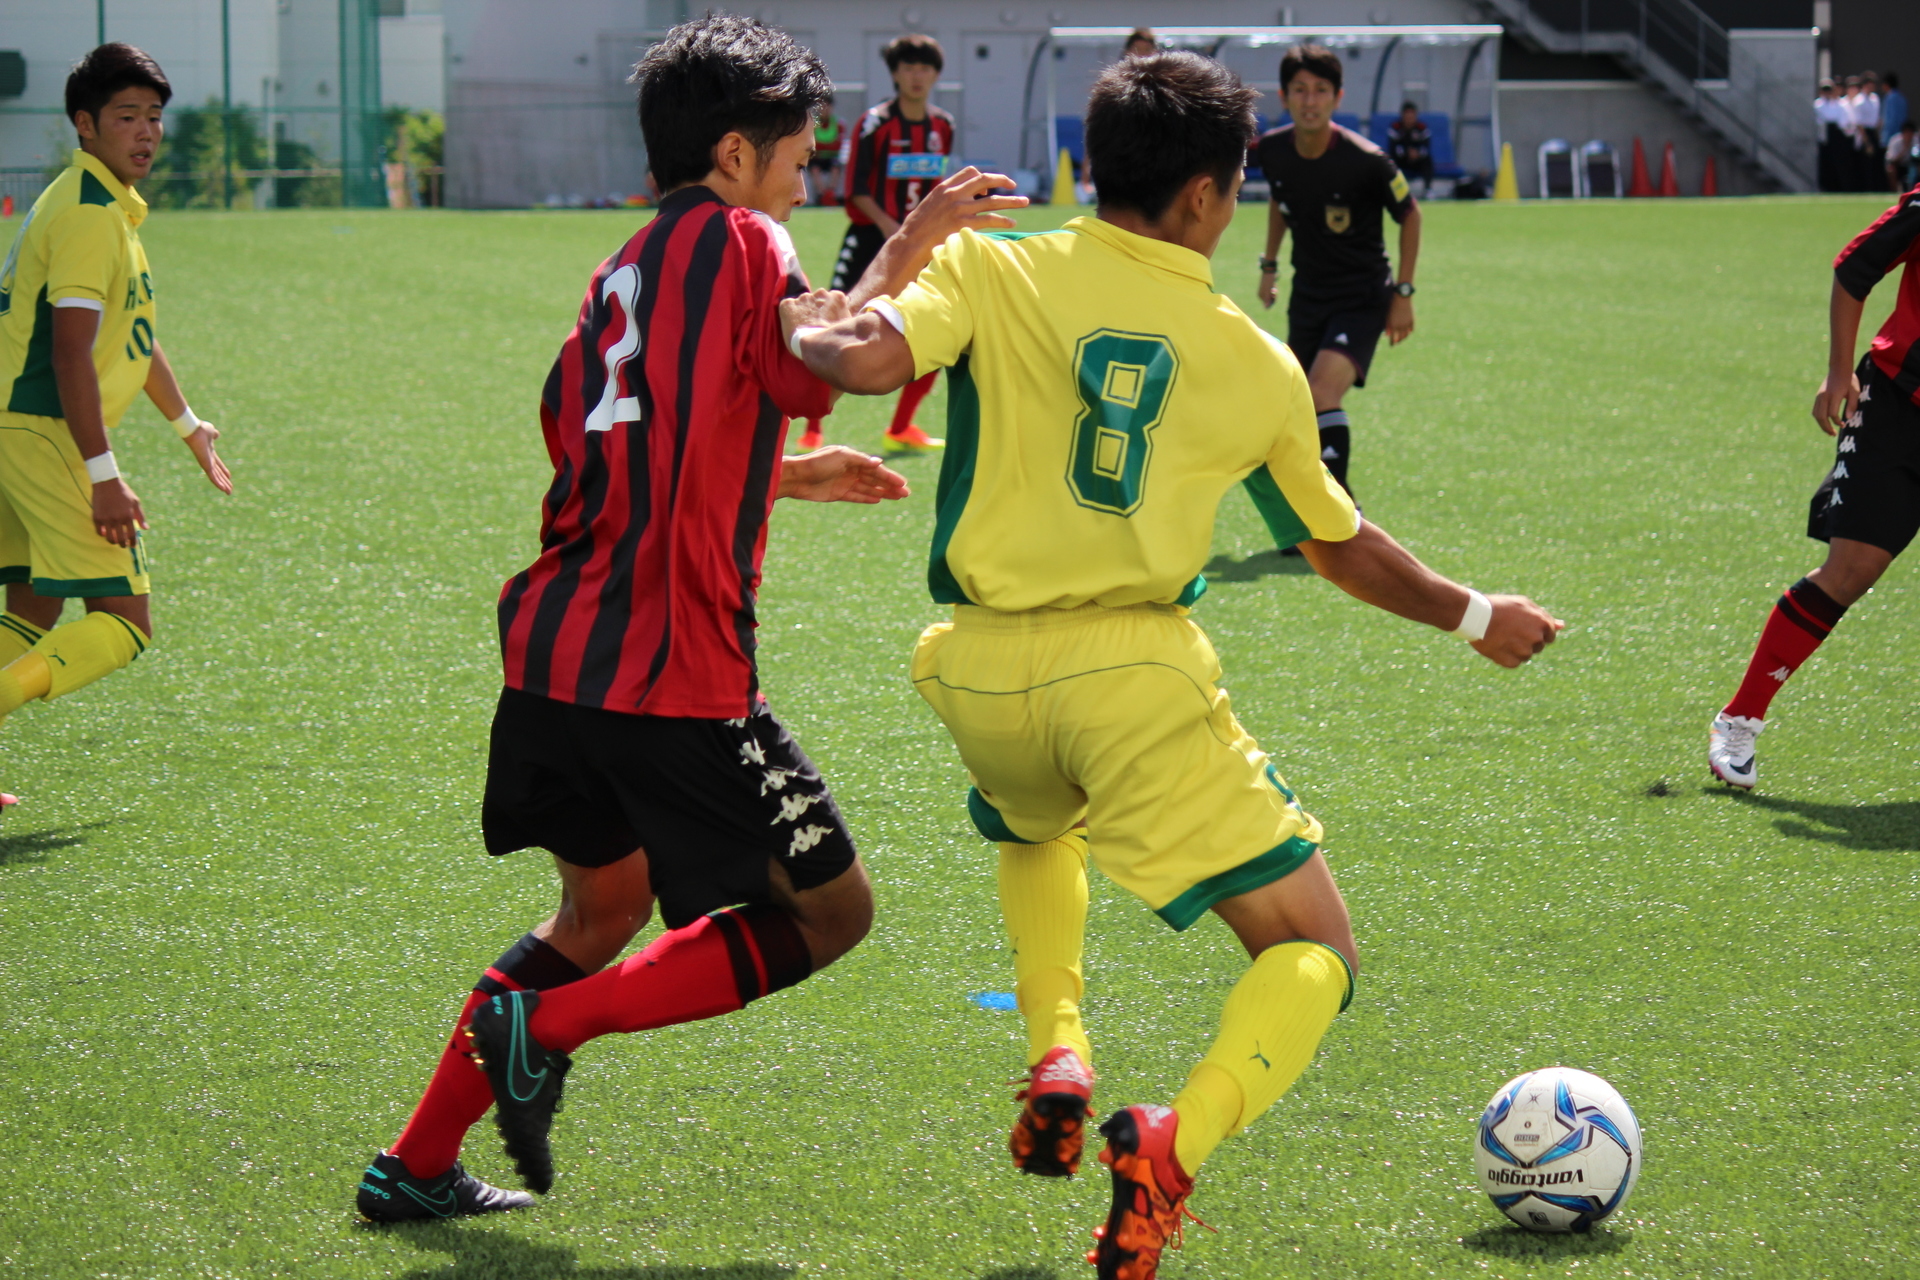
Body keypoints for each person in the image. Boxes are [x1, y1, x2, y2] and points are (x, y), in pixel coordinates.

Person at [784, 50, 1561, 1280]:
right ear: (1208, 194)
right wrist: (1475, 616)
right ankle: (1170, 1141)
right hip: (1130, 679)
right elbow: (1340, 548)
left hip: (977, 674)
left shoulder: (992, 263)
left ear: (1099, 164)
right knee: (1314, 950)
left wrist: (890, 258)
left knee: (1037, 824)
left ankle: (1058, 1048)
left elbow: (850, 359)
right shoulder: (1250, 358)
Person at [352, 16, 1024, 1222]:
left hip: (554, 655)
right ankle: (538, 1027)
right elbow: (823, 350)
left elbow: (605, 448)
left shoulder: (617, 269)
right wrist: (913, 245)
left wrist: (774, 472)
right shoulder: (741, 237)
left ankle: (413, 1161)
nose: (808, 184)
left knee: (599, 907)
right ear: (730, 156)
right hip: (672, 675)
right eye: (799, 160)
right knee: (832, 910)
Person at [0, 43, 233, 808]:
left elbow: (132, 334)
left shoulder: (95, 204)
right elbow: (71, 355)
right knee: (127, 622)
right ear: (85, 124)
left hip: (12, 426)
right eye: (127, 117)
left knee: (31, 605)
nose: (146, 132)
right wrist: (105, 476)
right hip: (39, 430)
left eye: (155, 118)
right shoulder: (90, 216)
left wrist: (188, 424)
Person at [1709, 179, 1920, 791]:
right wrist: (1837, 373)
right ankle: (1740, 718)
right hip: (1896, 409)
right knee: (1851, 570)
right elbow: (1856, 267)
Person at [1254, 43, 1420, 522]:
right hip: (1308, 296)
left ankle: (1339, 513)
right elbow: (1281, 204)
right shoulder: (1274, 151)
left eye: (1321, 91)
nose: (1310, 100)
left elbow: (1411, 216)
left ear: (1337, 97)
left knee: (1322, 392)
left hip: (1363, 296)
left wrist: (1403, 294)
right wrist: (1269, 266)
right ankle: (1310, 513)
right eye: (1300, 90)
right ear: (1285, 97)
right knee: (1293, 408)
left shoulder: (1368, 160)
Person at [793, 33, 953, 456]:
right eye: (908, 68)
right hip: (870, 239)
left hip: (920, 244)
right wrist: (891, 228)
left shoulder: (943, 126)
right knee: (836, 325)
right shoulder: (874, 124)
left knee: (935, 326)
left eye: (924, 68)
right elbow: (856, 188)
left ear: (936, 75)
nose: (916, 76)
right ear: (895, 74)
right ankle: (812, 428)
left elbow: (937, 189)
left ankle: (901, 427)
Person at [1386, 100, 1434, 196]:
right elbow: (1394, 148)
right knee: (1390, 162)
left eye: (1412, 117)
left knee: (1428, 160)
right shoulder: (1395, 128)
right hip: (1402, 159)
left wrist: (1417, 153)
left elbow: (1426, 147)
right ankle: (1394, 191)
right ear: (1402, 116)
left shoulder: (1422, 128)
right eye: (1407, 117)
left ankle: (1428, 190)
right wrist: (1407, 153)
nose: (1409, 119)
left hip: (1417, 160)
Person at [1816, 80, 1850, 193]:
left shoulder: (1838, 103)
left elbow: (1842, 123)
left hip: (1836, 136)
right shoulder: (1817, 104)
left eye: (1829, 90)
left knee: (1838, 163)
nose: (1827, 93)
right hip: (1824, 136)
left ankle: (1838, 187)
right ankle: (1825, 188)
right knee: (1825, 165)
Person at [809, 92, 843, 204]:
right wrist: (827, 146)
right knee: (814, 168)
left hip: (831, 158)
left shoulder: (838, 124)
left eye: (827, 106)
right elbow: (812, 144)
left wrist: (823, 146)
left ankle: (831, 193)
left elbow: (837, 145)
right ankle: (822, 195)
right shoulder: (812, 123)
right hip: (816, 158)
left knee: (835, 167)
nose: (824, 109)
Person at [1886, 117, 1917, 192]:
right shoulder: (1895, 141)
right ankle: (1894, 191)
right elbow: (1892, 159)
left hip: (1911, 165)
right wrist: (1905, 149)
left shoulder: (1916, 140)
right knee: (1891, 169)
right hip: (1898, 164)